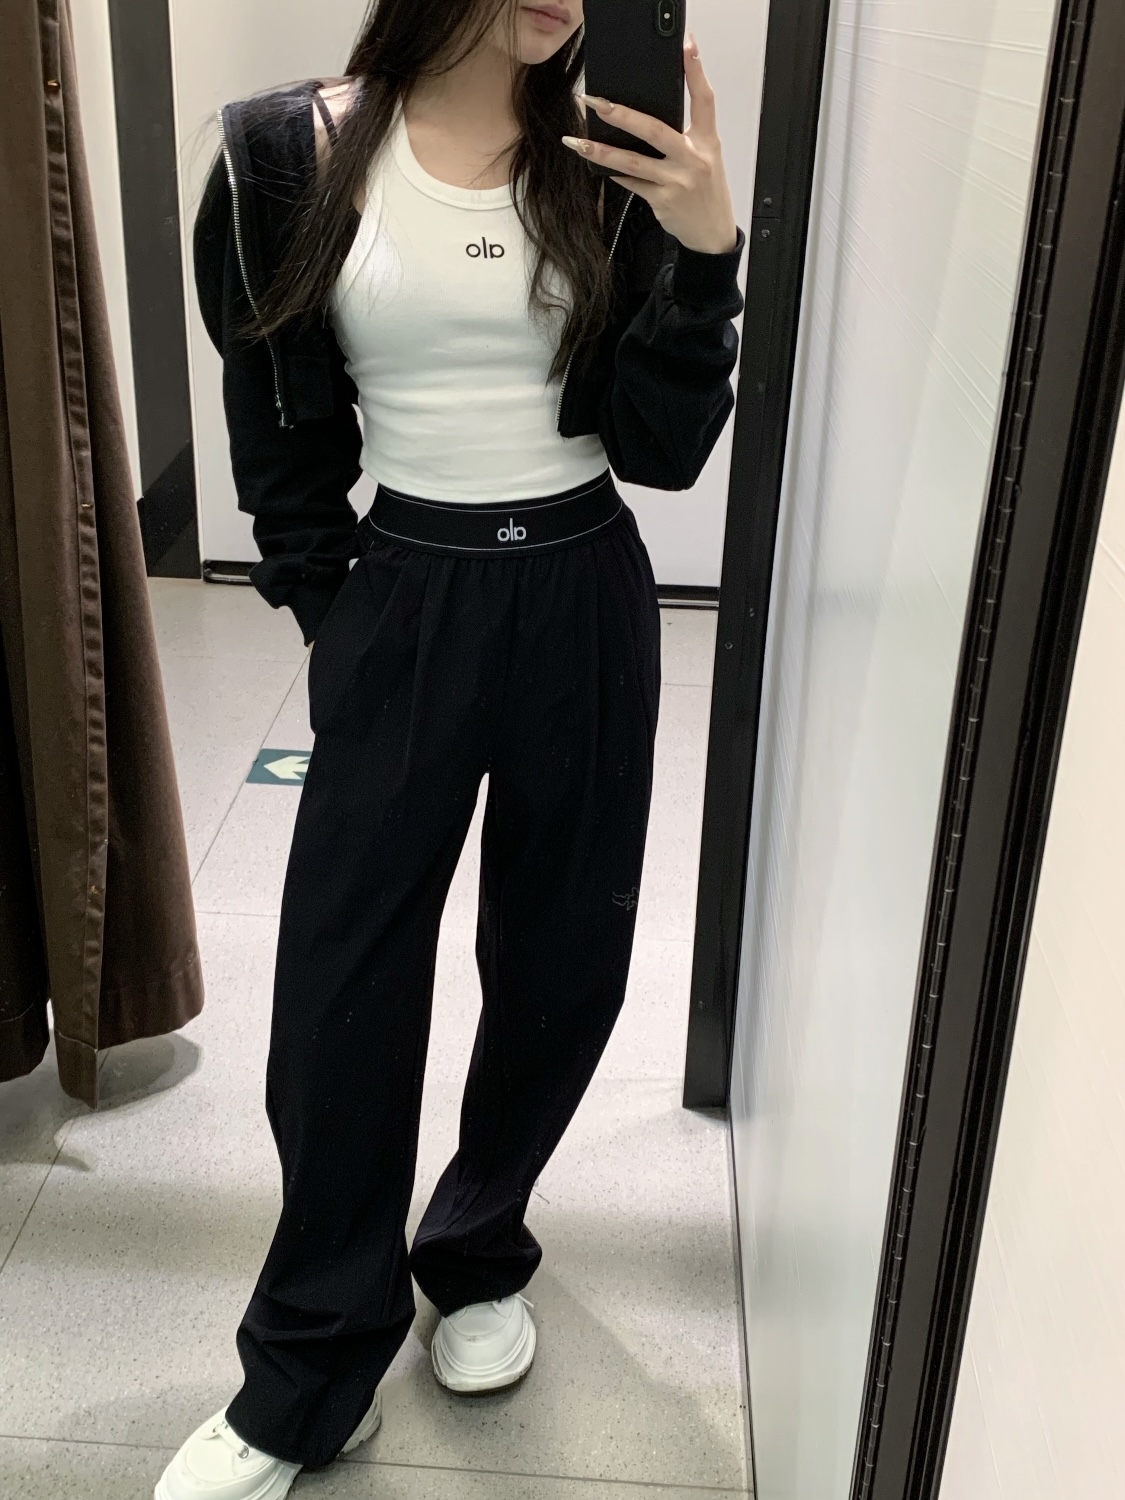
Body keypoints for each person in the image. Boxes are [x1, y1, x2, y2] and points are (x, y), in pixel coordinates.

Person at [159, 1, 743, 1495]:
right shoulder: (284, 156)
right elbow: (275, 432)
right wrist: (335, 615)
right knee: (341, 978)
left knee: (563, 956)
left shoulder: (608, 159)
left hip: (583, 587)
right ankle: (312, 1358)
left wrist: (704, 256)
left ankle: (476, 1250)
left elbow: (664, 450)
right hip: (405, 585)